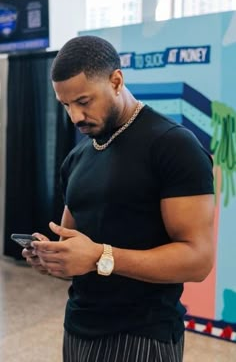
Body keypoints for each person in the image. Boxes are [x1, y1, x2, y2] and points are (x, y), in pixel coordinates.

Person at [22, 35, 215, 362]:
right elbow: (73, 244)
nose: (75, 117)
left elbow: (198, 260)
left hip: (143, 332)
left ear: (116, 80)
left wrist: (101, 256)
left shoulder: (173, 146)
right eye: (66, 105)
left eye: (84, 101)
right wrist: (53, 257)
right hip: (79, 326)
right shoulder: (78, 157)